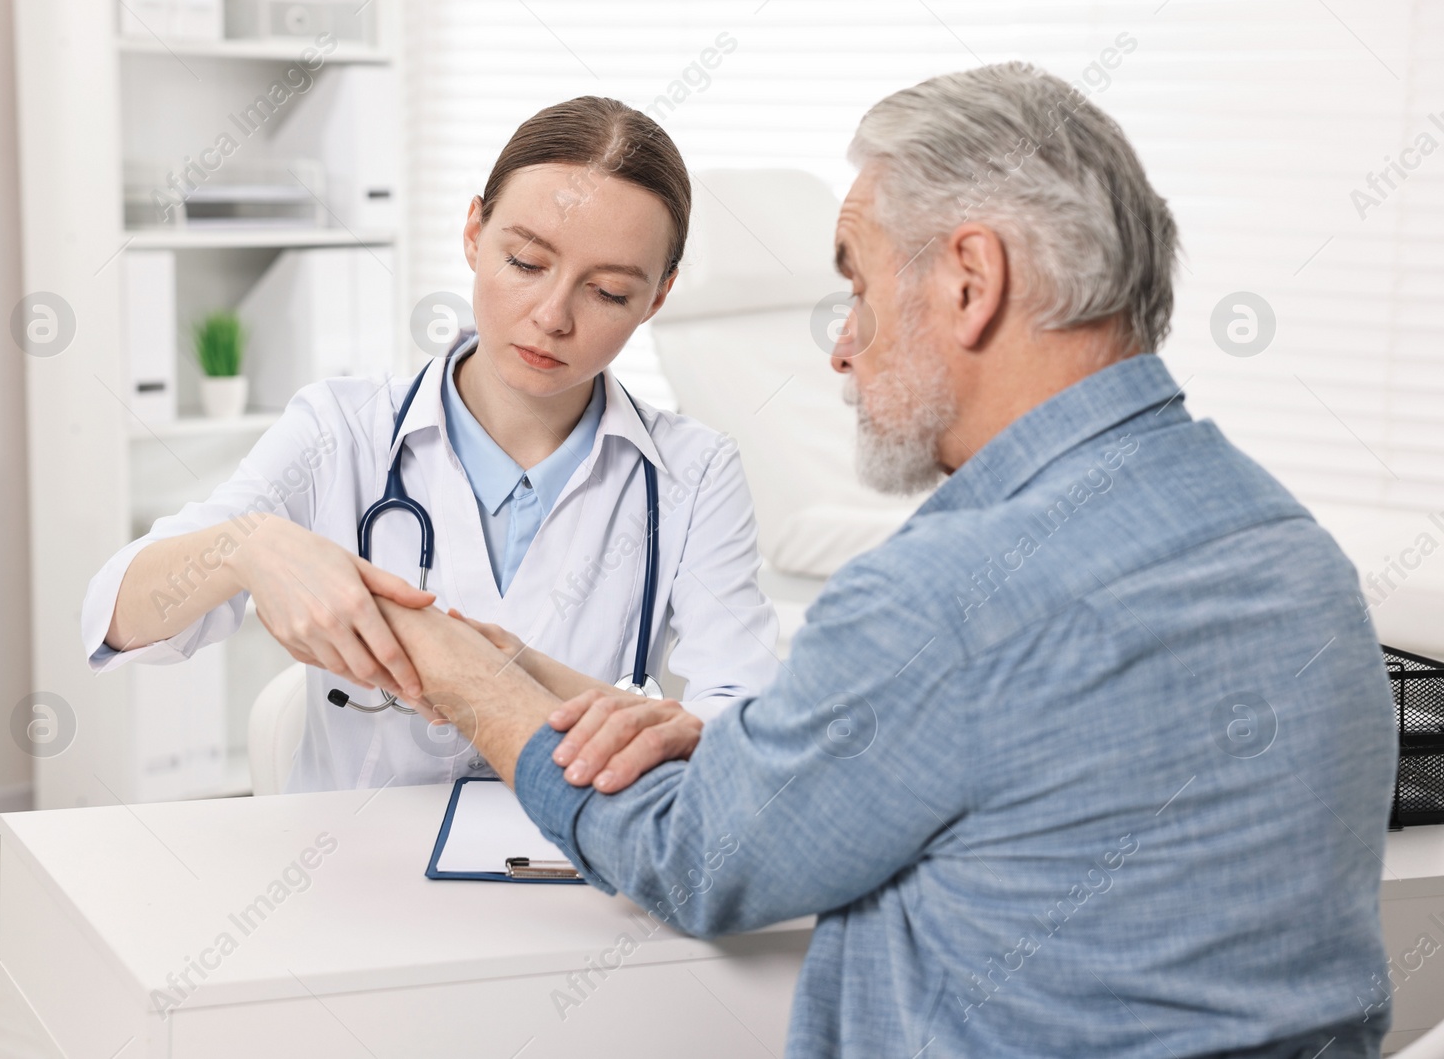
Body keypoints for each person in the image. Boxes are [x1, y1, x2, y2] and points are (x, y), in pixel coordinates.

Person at [366, 64, 1399, 1057]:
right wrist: (734, 741)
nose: (841, 345)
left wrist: (464, 682)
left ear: (968, 282)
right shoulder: (1287, 548)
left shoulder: (950, 594)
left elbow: (696, 859)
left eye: (855, 288)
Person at [81, 96, 778, 792]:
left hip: (575, 871)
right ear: (474, 232)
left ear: (657, 297)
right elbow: (114, 614)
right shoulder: (340, 429)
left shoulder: (694, 471)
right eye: (527, 262)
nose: (552, 316)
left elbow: (740, 728)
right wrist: (248, 546)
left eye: (607, 291)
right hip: (354, 875)